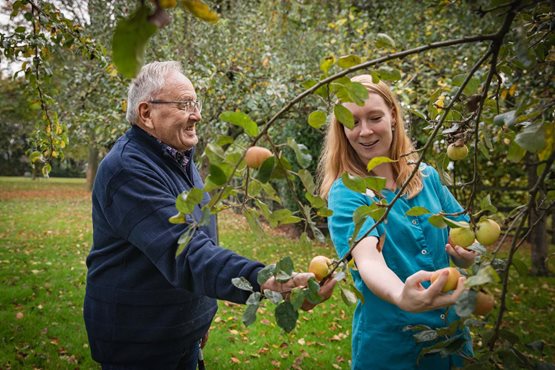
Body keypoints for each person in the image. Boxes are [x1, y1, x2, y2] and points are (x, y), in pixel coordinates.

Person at [84, 61, 335, 370]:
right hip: (140, 343)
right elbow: (186, 253)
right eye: (184, 104)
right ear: (147, 113)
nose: (197, 115)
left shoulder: (176, 157)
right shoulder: (127, 171)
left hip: (179, 334)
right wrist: (268, 281)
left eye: (196, 103)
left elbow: (202, 236)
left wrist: (201, 315)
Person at [317, 75, 476, 369]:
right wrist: (399, 295)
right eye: (352, 122)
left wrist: (469, 254)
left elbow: (467, 235)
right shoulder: (348, 192)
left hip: (452, 339)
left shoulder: (427, 177)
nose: (364, 132)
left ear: (392, 115)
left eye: (374, 117)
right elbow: (368, 260)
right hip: (392, 349)